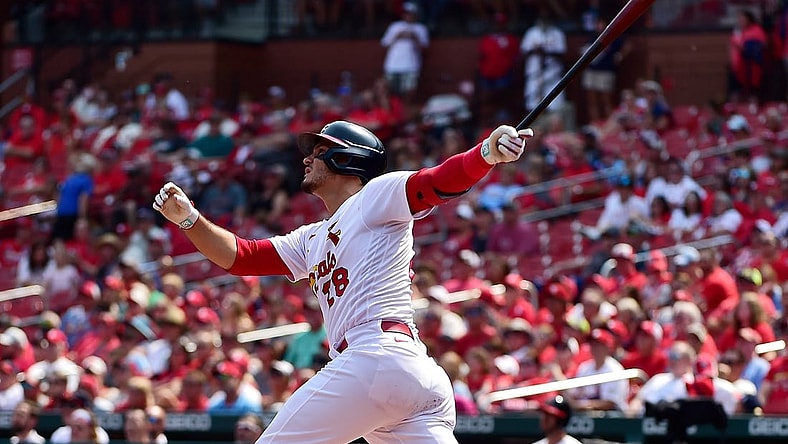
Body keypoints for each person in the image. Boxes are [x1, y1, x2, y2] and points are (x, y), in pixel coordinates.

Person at [153, 119, 533, 442]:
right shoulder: (310, 237)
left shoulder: (374, 197)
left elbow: (434, 183)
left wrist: (485, 154)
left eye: (318, 151)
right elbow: (240, 256)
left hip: (375, 356)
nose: (306, 157)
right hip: (408, 374)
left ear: (347, 158)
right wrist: (190, 220)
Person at [520, 8, 567, 115]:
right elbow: (524, 53)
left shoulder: (557, 33)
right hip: (534, 73)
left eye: (547, 18)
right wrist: (535, 51)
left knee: (555, 106)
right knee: (532, 105)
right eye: (542, 18)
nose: (544, 20)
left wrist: (545, 52)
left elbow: (561, 53)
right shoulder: (531, 33)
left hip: (552, 74)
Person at [380, 2, 429, 104]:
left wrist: (414, 37)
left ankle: (405, 112)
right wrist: (397, 36)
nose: (408, 16)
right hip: (393, 65)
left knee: (410, 90)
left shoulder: (420, 28)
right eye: (406, 13)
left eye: (411, 13)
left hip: (411, 65)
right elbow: (384, 44)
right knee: (389, 91)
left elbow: (424, 48)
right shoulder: (395, 26)